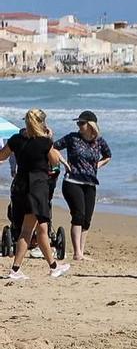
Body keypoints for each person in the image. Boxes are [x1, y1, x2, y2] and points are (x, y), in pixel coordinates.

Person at [2, 109, 69, 281]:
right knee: (27, 230)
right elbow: (54, 162)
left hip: (20, 186)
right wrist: (50, 140)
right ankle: (15, 270)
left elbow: (2, 155)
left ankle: (54, 267)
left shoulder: (16, 139)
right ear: (42, 123)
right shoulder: (44, 142)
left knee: (42, 229)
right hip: (37, 188)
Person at [55, 110, 110, 262]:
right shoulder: (72, 138)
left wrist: (96, 166)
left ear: (91, 125)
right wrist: (64, 162)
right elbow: (52, 147)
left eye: (81, 123)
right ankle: (77, 253)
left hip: (90, 182)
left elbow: (108, 156)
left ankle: (81, 251)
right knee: (78, 215)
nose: (79, 125)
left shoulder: (99, 141)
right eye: (78, 123)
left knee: (87, 219)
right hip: (72, 182)